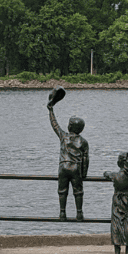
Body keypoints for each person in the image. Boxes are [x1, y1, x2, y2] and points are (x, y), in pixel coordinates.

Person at [48, 93, 89, 221]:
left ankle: (62, 213)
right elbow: (85, 160)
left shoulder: (64, 137)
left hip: (64, 166)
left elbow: (54, 124)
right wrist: (84, 174)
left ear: (70, 126)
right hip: (76, 168)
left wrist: (51, 110)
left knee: (62, 190)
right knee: (78, 191)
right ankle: (79, 213)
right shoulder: (83, 141)